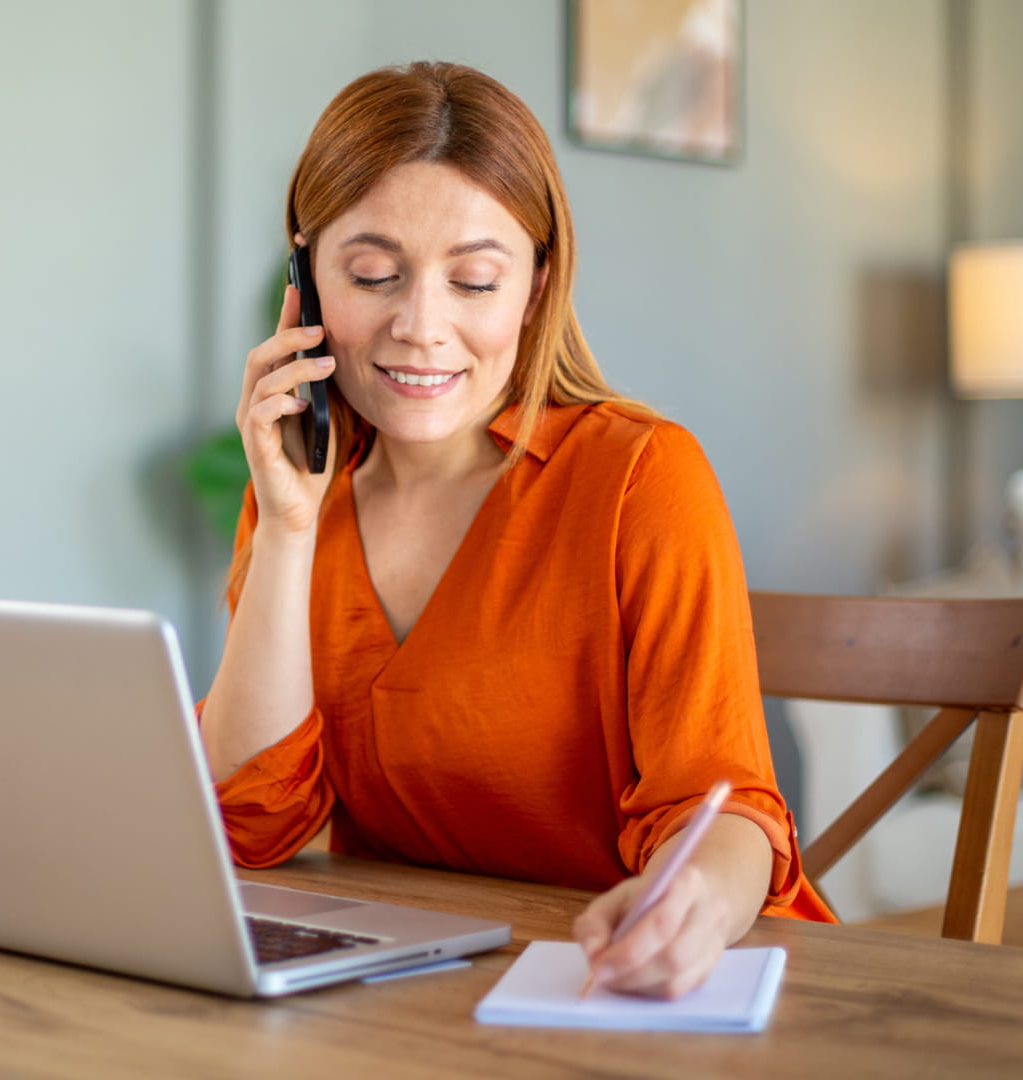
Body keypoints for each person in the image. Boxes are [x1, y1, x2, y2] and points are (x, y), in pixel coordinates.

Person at [197, 60, 834, 1001]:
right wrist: (289, 530)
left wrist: (687, 898)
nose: (421, 325)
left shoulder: (641, 477)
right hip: (414, 999)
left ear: (537, 284)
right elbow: (247, 829)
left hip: (635, 991)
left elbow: (727, 807)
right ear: (306, 277)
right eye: (373, 273)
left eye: (475, 281)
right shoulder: (302, 487)